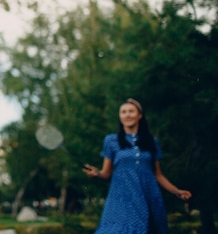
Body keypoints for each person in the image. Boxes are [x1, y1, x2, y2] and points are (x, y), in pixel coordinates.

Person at [82, 98, 191, 234]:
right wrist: (97, 173)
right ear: (120, 116)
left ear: (139, 115)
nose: (127, 115)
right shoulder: (111, 140)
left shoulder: (151, 141)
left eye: (131, 111)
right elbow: (106, 173)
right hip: (122, 196)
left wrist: (177, 191)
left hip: (148, 194)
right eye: (123, 112)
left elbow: (158, 175)